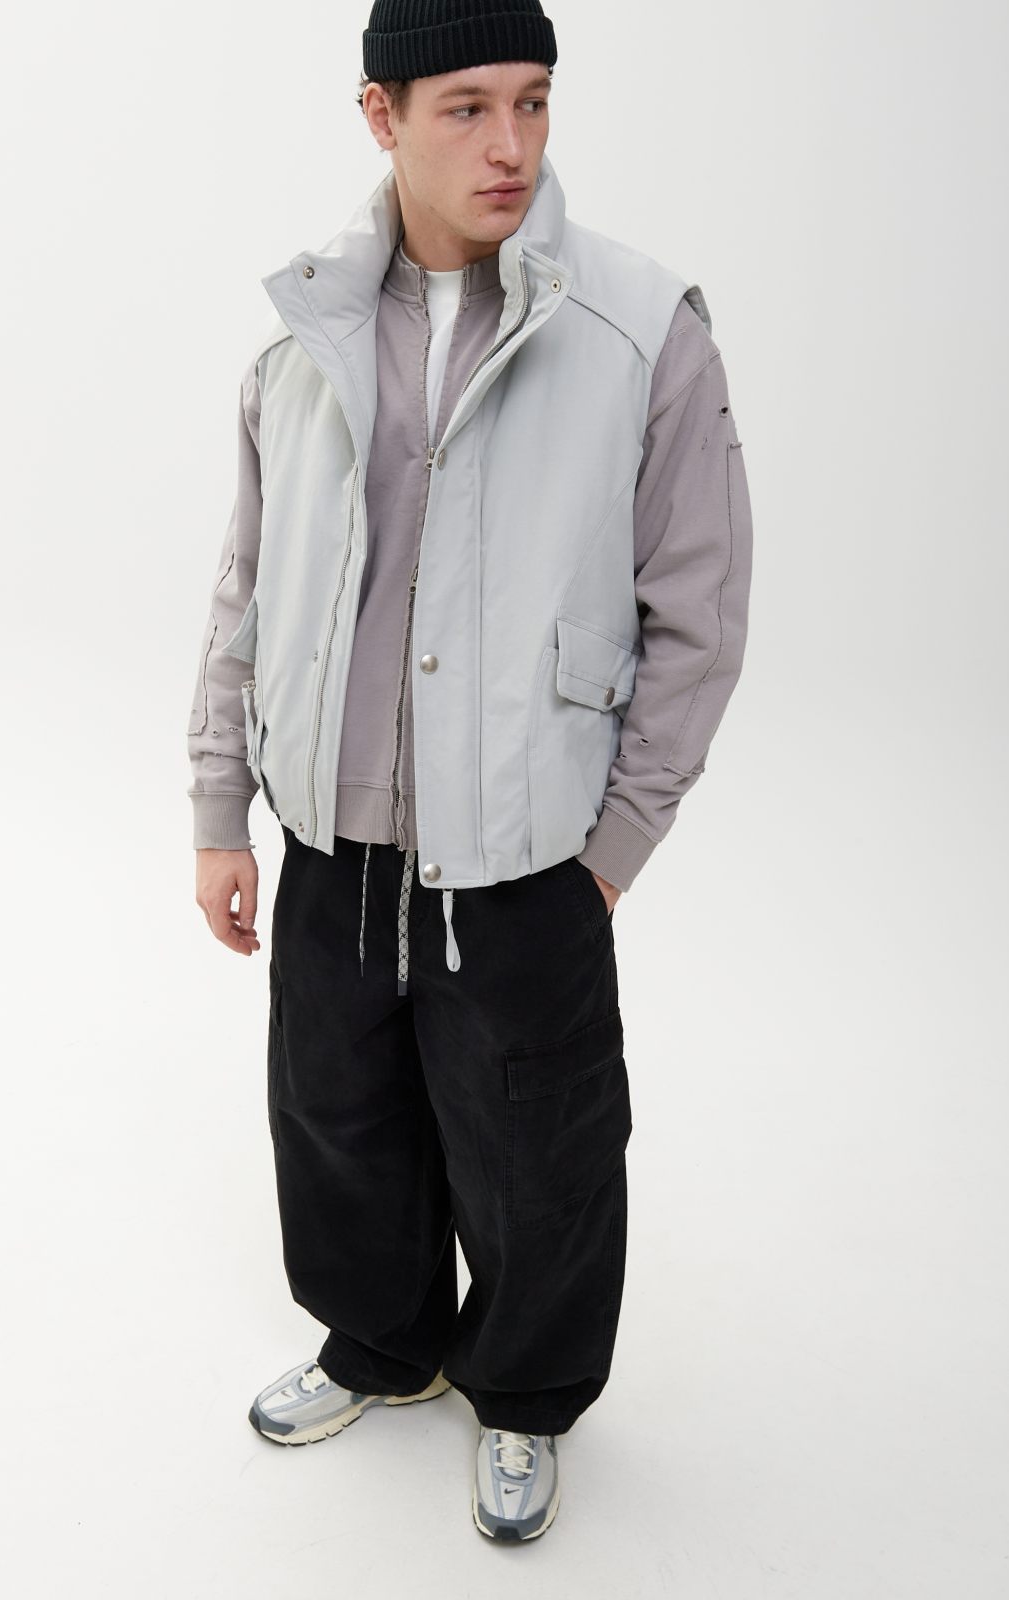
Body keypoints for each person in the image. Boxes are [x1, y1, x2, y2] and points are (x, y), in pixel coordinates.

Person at [186, 0, 753, 1543]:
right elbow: (247, 589)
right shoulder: (300, 335)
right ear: (381, 115)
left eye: (534, 101)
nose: (512, 144)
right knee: (335, 1118)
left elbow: (697, 611)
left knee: (538, 1150)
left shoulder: (638, 329)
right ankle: (382, 1346)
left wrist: (615, 844)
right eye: (466, 107)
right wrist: (221, 808)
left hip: (525, 854)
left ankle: (526, 1395)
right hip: (334, 841)